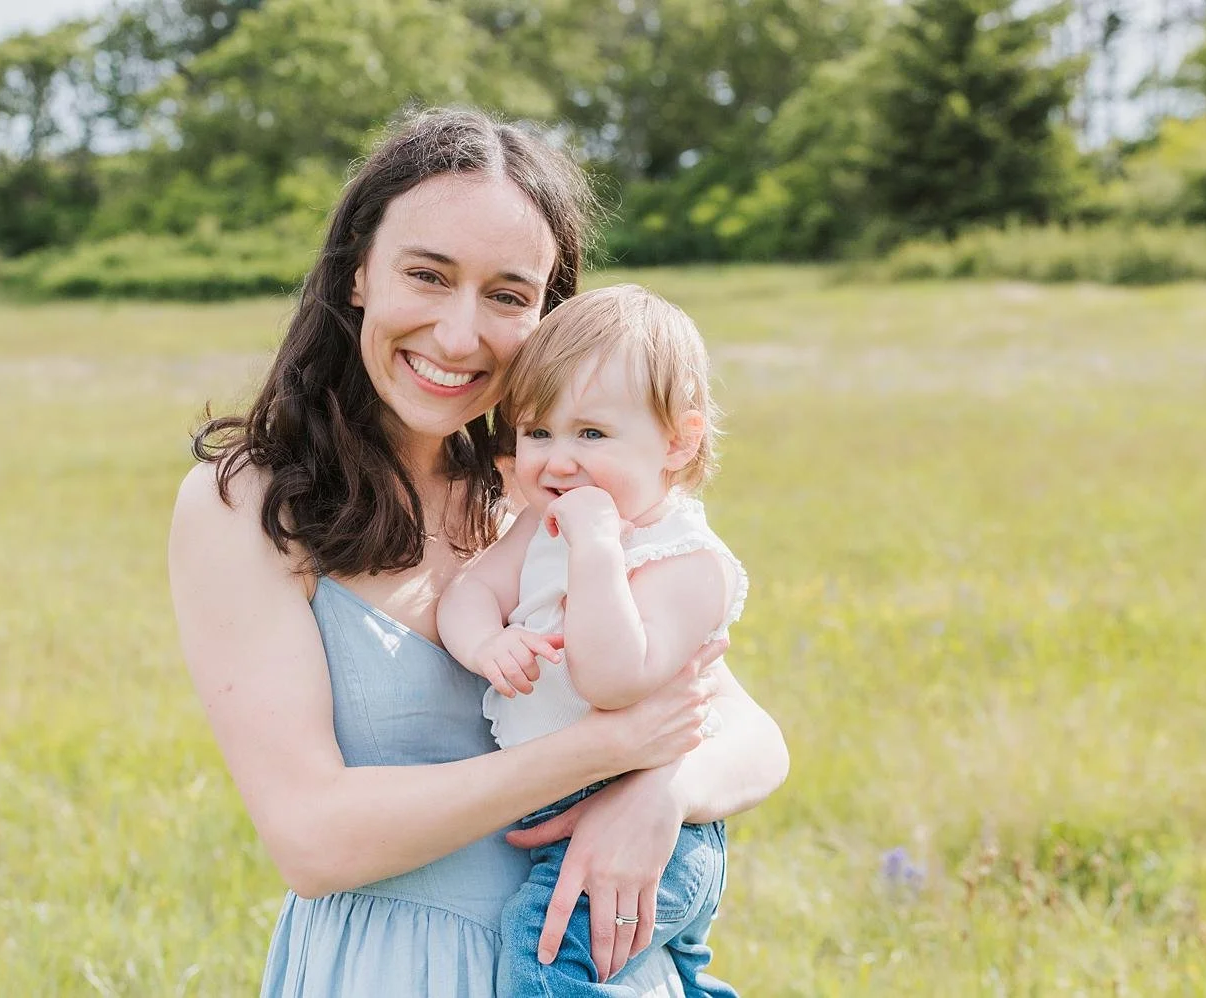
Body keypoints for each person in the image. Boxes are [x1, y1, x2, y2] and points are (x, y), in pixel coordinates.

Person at [167, 106, 788, 997]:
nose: (461, 336)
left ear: (548, 316)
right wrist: (597, 756)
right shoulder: (254, 505)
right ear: (356, 276)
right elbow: (312, 839)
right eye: (427, 275)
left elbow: (751, 735)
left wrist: (659, 794)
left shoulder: (557, 494)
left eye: (507, 295)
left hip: (595, 969)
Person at [438, 284, 745, 997]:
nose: (557, 460)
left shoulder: (687, 562)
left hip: (651, 818)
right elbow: (471, 593)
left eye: (592, 435)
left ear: (678, 441)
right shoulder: (538, 526)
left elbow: (612, 679)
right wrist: (486, 643)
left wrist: (598, 549)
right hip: (560, 802)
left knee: (543, 947)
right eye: (539, 433)